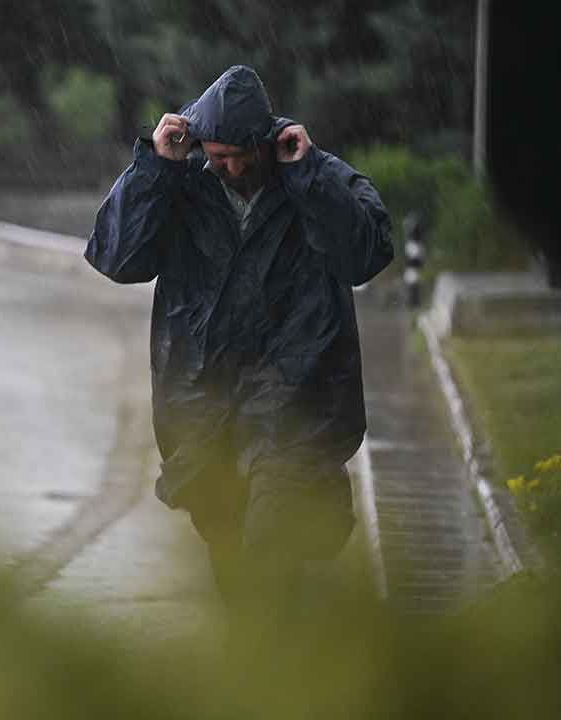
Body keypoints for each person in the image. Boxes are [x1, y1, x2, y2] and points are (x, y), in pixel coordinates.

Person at [84, 66, 394, 616]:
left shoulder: (318, 179)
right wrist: (156, 166)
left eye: (233, 156)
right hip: (206, 408)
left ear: (263, 144)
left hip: (297, 399)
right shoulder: (185, 191)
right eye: (213, 155)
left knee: (270, 545)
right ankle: (273, 670)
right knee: (232, 556)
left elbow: (365, 256)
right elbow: (117, 257)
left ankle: (270, 667)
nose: (222, 167)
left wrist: (309, 179)